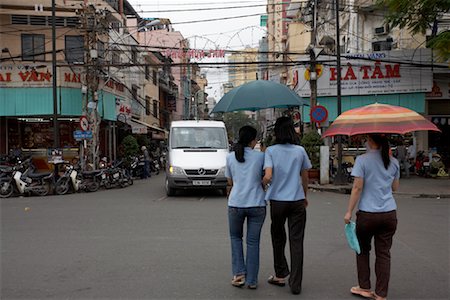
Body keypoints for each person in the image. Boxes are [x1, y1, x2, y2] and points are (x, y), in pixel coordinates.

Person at [344, 134, 400, 300]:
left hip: (368, 214)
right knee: (383, 253)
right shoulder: (394, 162)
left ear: (370, 142)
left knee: (362, 250)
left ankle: (365, 287)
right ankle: (381, 293)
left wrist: (348, 211)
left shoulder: (362, 160)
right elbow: (395, 188)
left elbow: (357, 188)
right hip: (389, 213)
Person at [262, 116, 312, 295]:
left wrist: (263, 185)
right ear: (292, 131)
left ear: (276, 132)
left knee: (278, 237)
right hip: (297, 200)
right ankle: (296, 283)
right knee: (296, 241)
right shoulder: (300, 150)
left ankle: (281, 273)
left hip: (277, 201)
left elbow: (268, 176)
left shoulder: (271, 151)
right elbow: (305, 176)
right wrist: (304, 195)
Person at [225, 126, 266, 289]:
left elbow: (229, 181)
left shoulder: (230, 157)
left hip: (236, 203)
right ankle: (252, 281)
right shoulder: (260, 157)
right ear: (253, 141)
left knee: (236, 239)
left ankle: (239, 275)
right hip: (257, 204)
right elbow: (266, 176)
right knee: (253, 242)